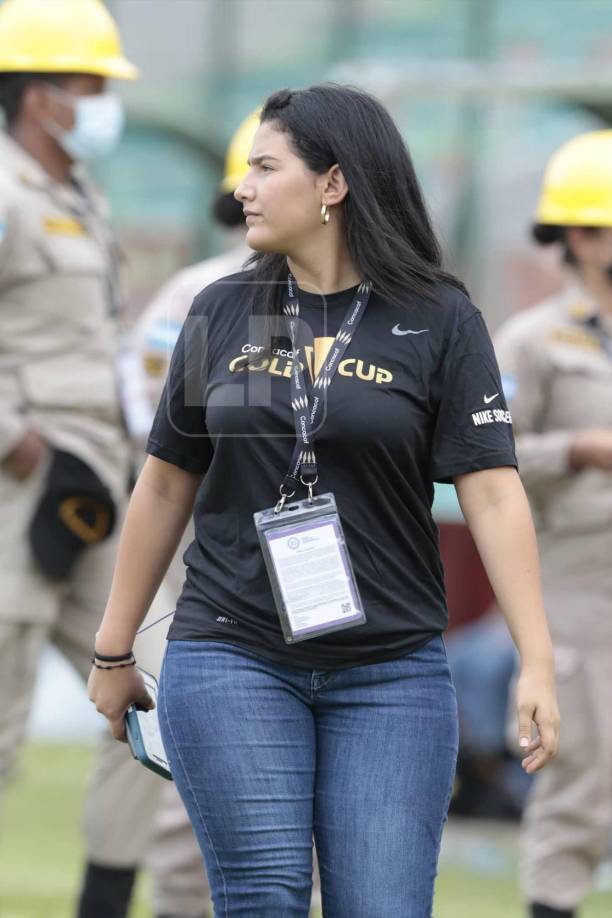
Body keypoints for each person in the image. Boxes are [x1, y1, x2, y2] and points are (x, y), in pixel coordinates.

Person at [89, 84, 559, 918]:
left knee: (382, 907)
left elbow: (492, 494)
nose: (243, 189)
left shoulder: (440, 318)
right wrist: (114, 649)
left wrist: (536, 658)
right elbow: (165, 481)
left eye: (266, 168)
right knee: (264, 898)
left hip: (392, 672)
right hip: (231, 655)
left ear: (332, 185)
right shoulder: (221, 310)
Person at [0, 2, 164, 916]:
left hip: (97, 485)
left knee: (162, 695)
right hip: (18, 483)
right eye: (89, 83)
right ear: (38, 96)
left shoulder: (78, 195)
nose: (104, 102)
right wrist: (19, 445)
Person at [494, 130, 612, 918]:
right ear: (580, 234)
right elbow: (485, 454)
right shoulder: (533, 342)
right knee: (582, 777)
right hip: (578, 586)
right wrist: (578, 447)